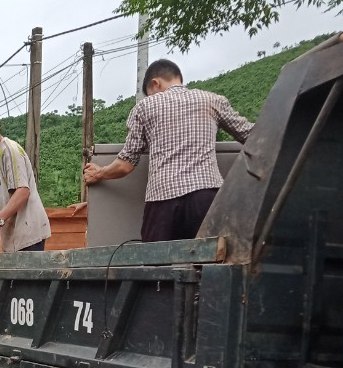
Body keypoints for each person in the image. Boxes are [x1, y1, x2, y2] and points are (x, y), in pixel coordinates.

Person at [82, 59, 254, 243]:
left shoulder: (144, 107)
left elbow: (125, 165)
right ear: (179, 78)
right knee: (209, 262)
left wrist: (100, 173)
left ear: (155, 83)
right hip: (206, 198)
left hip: (163, 201)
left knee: (157, 265)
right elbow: (253, 135)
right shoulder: (212, 100)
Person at [0, 105, 51, 253]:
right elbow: (5, 203)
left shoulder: (9, 151)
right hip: (15, 239)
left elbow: (23, 192)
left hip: (28, 236)